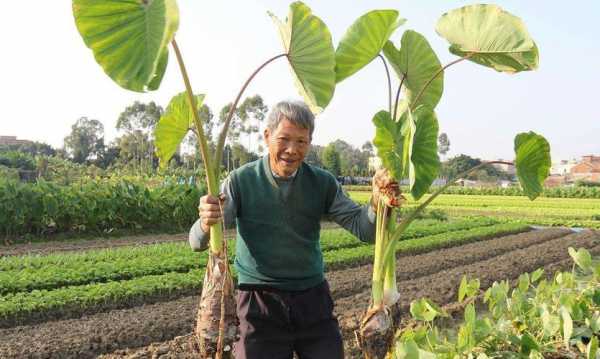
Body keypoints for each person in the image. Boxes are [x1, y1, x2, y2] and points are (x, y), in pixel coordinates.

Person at [189, 100, 397, 359]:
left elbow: (364, 229)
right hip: (258, 303)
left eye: (301, 142)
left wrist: (377, 203)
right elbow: (197, 242)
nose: (292, 149)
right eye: (284, 139)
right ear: (267, 136)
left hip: (312, 299)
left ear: (310, 142)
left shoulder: (322, 183)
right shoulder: (242, 180)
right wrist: (205, 221)